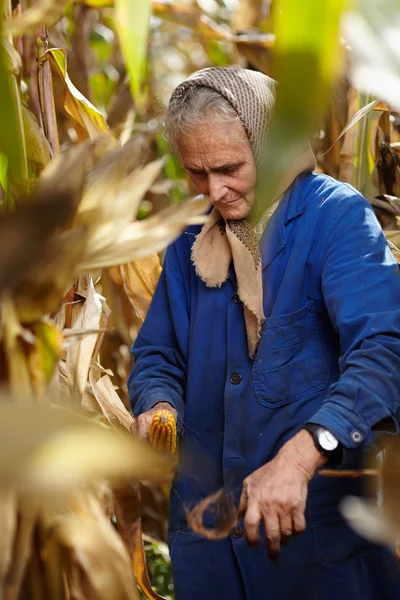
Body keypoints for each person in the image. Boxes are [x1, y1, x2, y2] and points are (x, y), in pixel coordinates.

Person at [128, 68, 400, 600]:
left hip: (316, 551)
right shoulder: (189, 243)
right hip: (208, 550)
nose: (215, 190)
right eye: (197, 173)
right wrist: (157, 405)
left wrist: (302, 456)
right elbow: (158, 355)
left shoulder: (335, 217)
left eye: (229, 168)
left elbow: (385, 350)